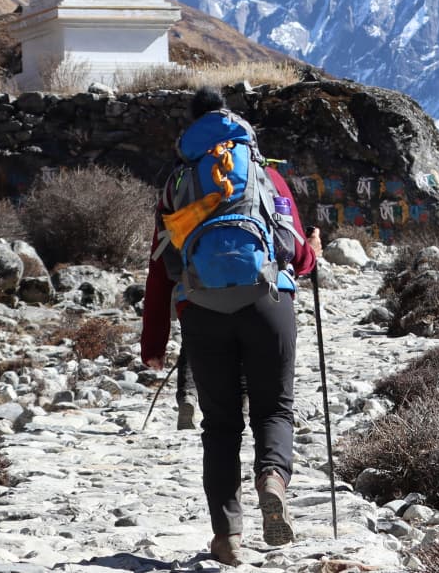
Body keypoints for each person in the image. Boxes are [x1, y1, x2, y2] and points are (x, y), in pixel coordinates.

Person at [142, 86, 319, 565]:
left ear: (191, 127)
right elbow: (296, 250)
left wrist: (154, 342)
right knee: (274, 410)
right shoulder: (265, 176)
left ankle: (227, 537)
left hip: (201, 308)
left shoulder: (177, 183)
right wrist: (313, 254)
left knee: (220, 426)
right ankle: (272, 481)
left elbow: (161, 267)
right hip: (268, 301)